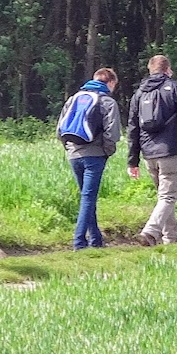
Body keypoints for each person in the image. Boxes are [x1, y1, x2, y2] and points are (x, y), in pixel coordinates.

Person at [127, 55, 177, 245]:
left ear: (151, 70)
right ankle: (150, 232)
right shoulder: (175, 88)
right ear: (168, 70)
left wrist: (132, 161)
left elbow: (133, 128)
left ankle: (170, 238)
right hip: (170, 151)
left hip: (149, 154)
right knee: (168, 197)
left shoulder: (139, 94)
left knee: (164, 198)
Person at [62, 69, 121, 249]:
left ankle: (96, 240)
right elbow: (113, 133)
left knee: (87, 197)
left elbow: (60, 128)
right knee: (88, 198)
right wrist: (107, 152)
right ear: (110, 82)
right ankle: (79, 242)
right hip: (94, 155)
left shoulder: (74, 99)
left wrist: (69, 149)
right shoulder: (107, 102)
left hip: (73, 154)